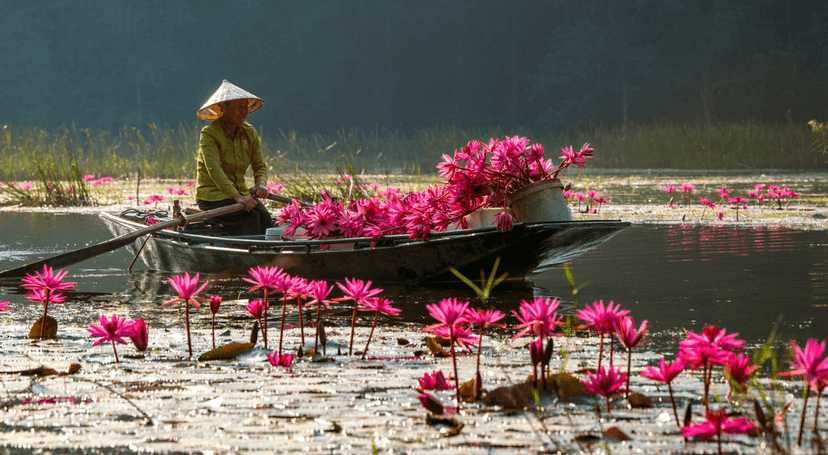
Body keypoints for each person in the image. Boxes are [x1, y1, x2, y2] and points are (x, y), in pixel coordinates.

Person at [195, 80, 273, 236]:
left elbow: (259, 165)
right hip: (212, 197)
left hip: (241, 194)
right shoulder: (209, 134)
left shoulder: (249, 132)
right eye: (239, 108)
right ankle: (253, 257)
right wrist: (237, 197)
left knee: (266, 218)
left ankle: (271, 256)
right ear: (224, 109)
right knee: (251, 219)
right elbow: (214, 170)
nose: (244, 112)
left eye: (246, 107)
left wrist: (261, 183)